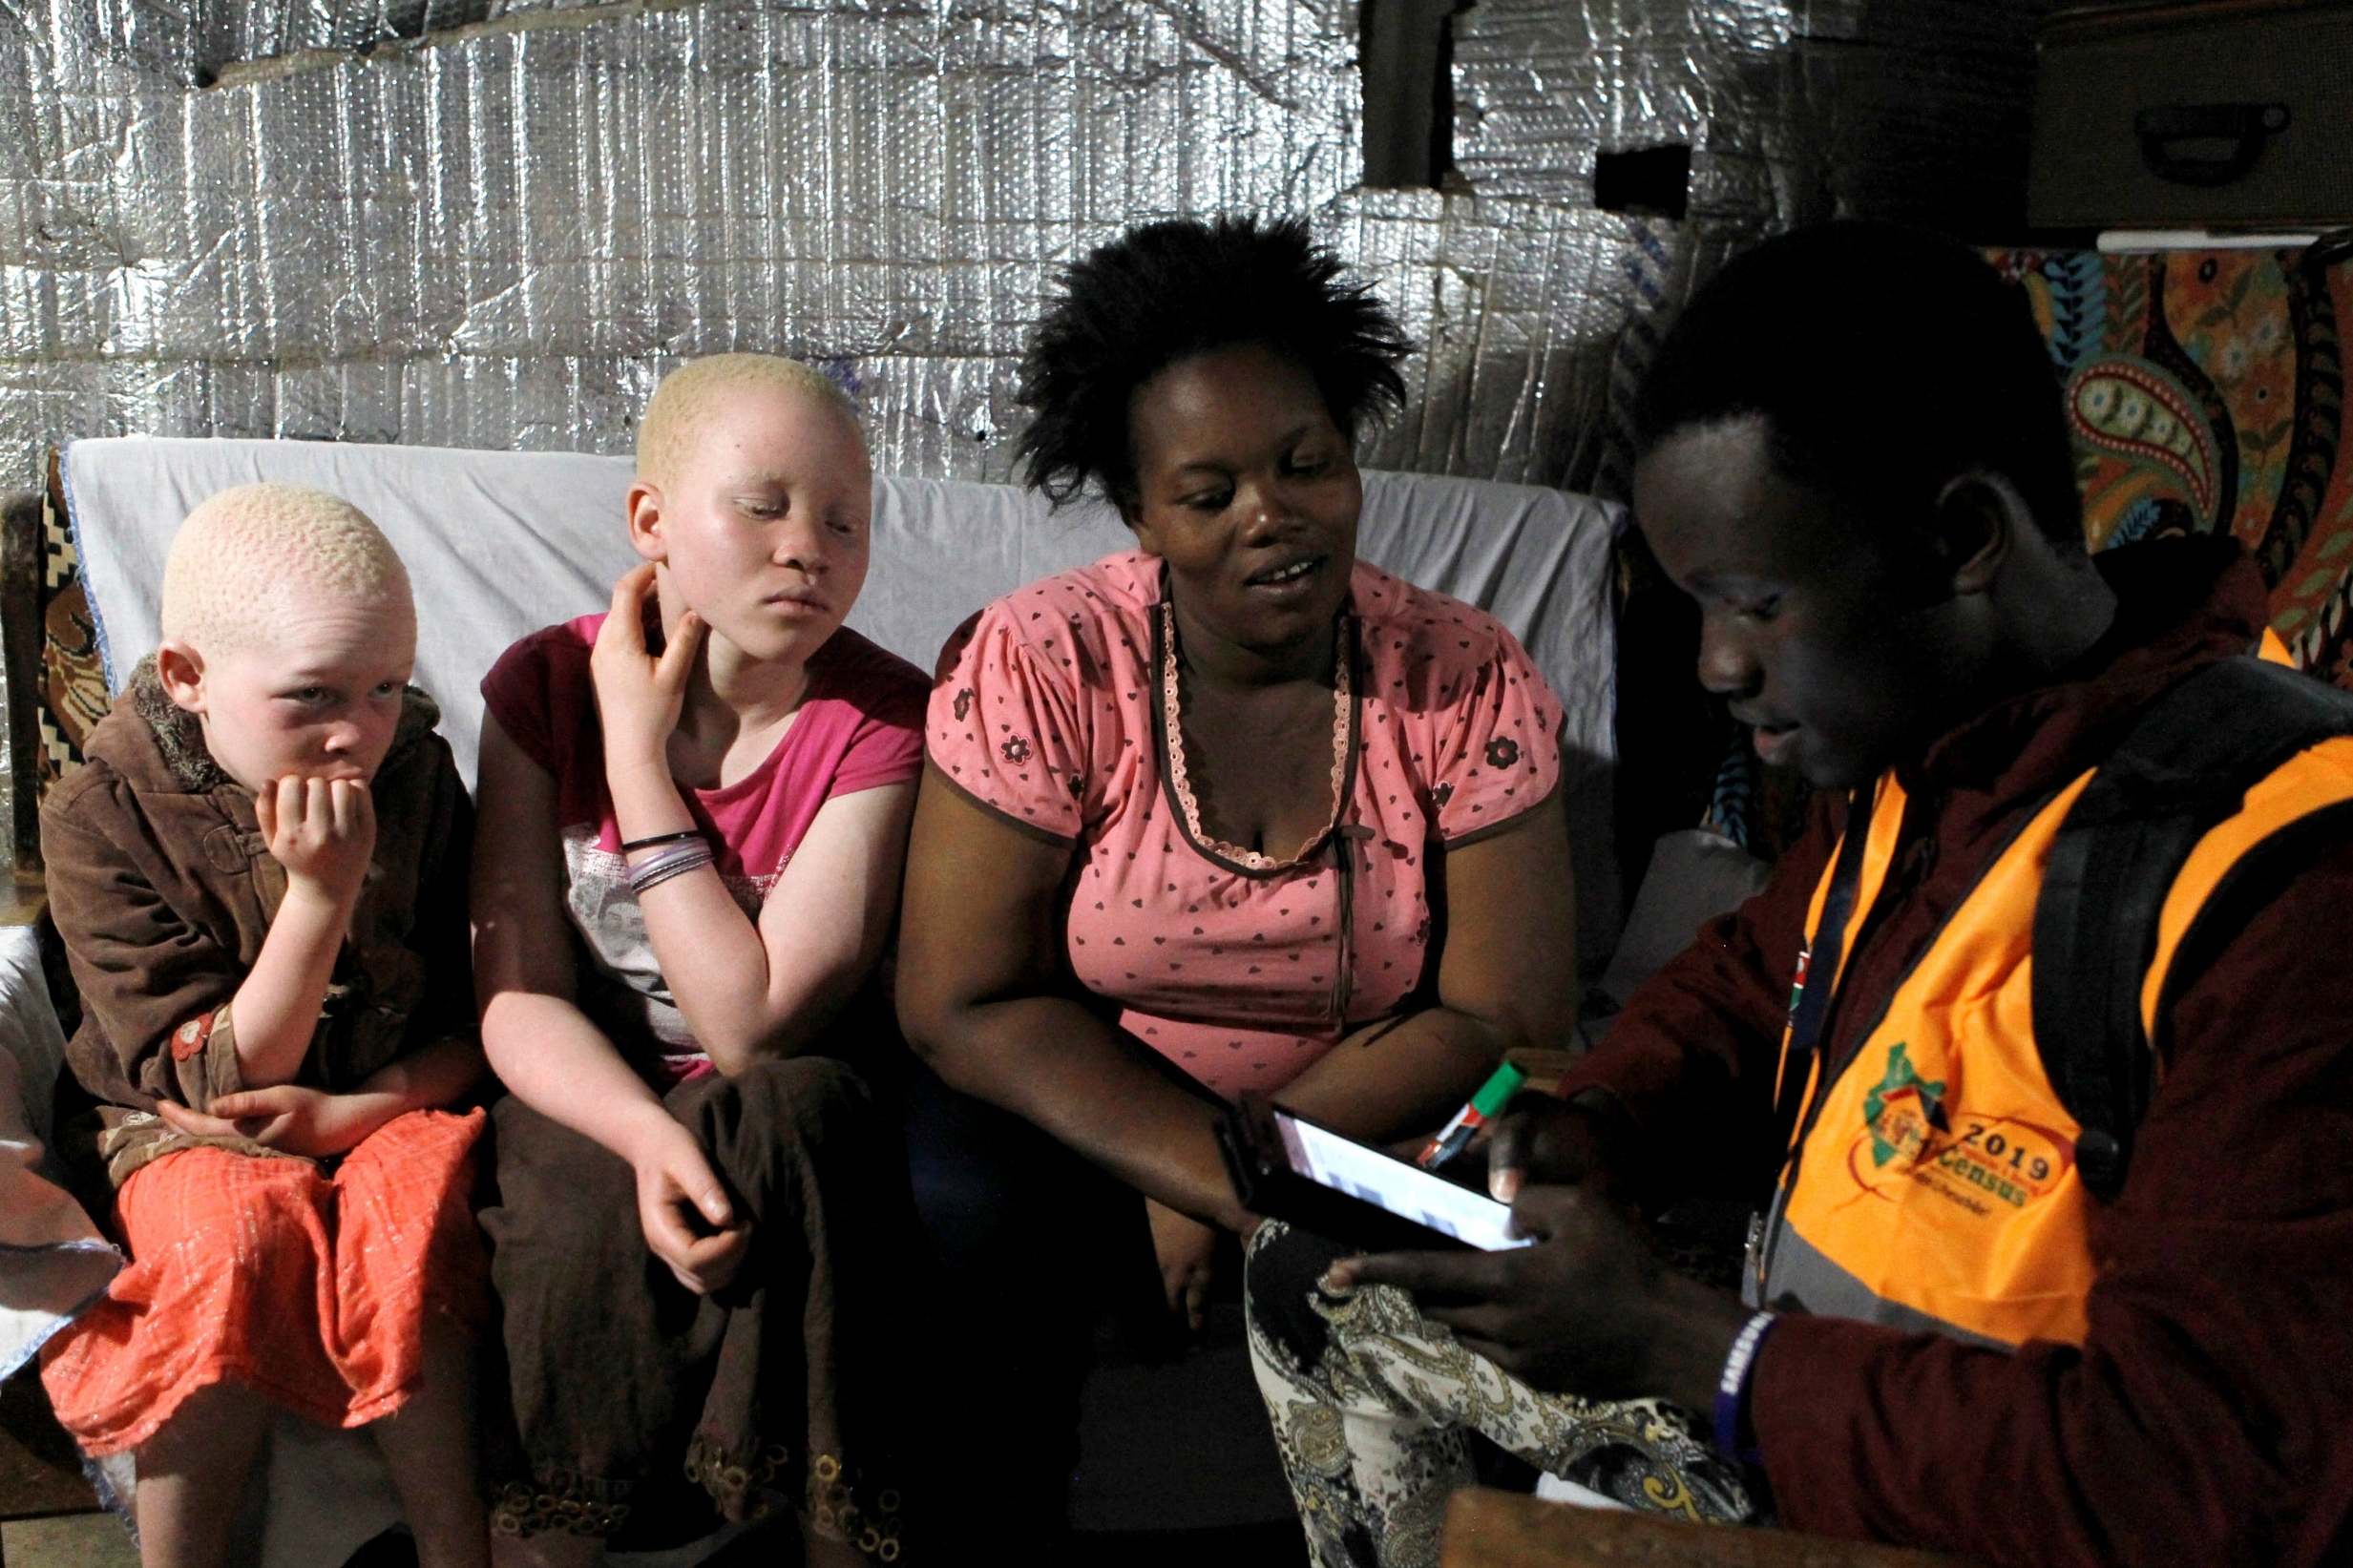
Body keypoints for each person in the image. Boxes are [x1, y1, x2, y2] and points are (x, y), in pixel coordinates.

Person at [1243, 220, 2353, 1567]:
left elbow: (2197, 1477)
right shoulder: (1930, 747)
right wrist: (1599, 1117)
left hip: (1997, 1503)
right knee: (1319, 1277)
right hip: (1807, 1389)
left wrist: (1689, 1338)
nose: (1714, 664)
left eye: (1753, 602)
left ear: (1960, 539)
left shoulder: (2283, 882)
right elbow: (1754, 980)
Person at [893, 214, 1580, 1535]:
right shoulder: (1048, 662)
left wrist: (1258, 1168)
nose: (1273, 516)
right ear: (1142, 511)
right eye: (1208, 495)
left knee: (1514, 1203)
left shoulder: (1462, 672)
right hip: (1091, 1108)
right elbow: (961, 998)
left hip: (1361, 1105)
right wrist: (1190, 1171)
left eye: (1306, 464)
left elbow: (1502, 1013)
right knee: (953, 1187)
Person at [471, 354, 928, 1565]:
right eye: (762, 506)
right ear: (650, 522)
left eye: (843, 520)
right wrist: (642, 1136)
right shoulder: (543, 685)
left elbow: (755, 1024)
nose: (806, 548)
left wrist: (635, 763)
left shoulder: (880, 722)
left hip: (779, 1092)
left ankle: (828, 1531)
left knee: (802, 1109)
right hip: (594, 1078)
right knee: (567, 1213)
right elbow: (516, 995)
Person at [39, 482, 491, 1568]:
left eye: (386, 686)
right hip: (185, 1119)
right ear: (189, 677)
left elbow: (487, 1006)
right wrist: (322, 897)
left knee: (416, 1221)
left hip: (386, 1093)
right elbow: (205, 1080)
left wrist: (365, 1109)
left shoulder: (418, 773)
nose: (358, 732)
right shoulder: (102, 814)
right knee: (229, 1238)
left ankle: (455, 1547)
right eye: (311, 695)